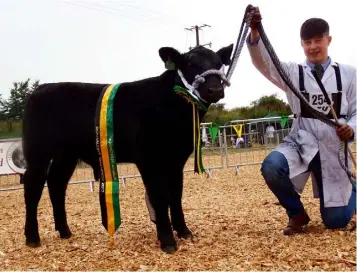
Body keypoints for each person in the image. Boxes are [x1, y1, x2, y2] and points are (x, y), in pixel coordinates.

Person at [246, 6, 356, 235]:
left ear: (329, 40)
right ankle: (297, 214)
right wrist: (255, 32)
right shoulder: (292, 73)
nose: (313, 47)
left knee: (335, 222)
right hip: (302, 141)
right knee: (272, 166)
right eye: (307, 42)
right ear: (301, 44)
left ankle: (353, 188)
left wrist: (351, 128)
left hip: (333, 147)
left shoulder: (348, 74)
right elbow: (264, 63)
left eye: (318, 40)